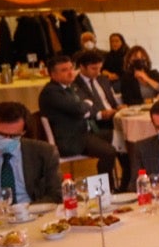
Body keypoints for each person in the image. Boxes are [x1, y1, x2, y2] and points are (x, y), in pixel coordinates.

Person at [38, 52, 121, 182]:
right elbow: (79, 108)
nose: (70, 72)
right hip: (71, 140)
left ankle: (126, 180)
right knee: (109, 152)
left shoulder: (67, 88)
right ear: (53, 74)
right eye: (64, 70)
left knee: (121, 138)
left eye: (71, 68)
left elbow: (82, 110)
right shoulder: (51, 92)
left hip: (83, 132)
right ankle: (104, 189)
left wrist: (84, 107)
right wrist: (87, 104)